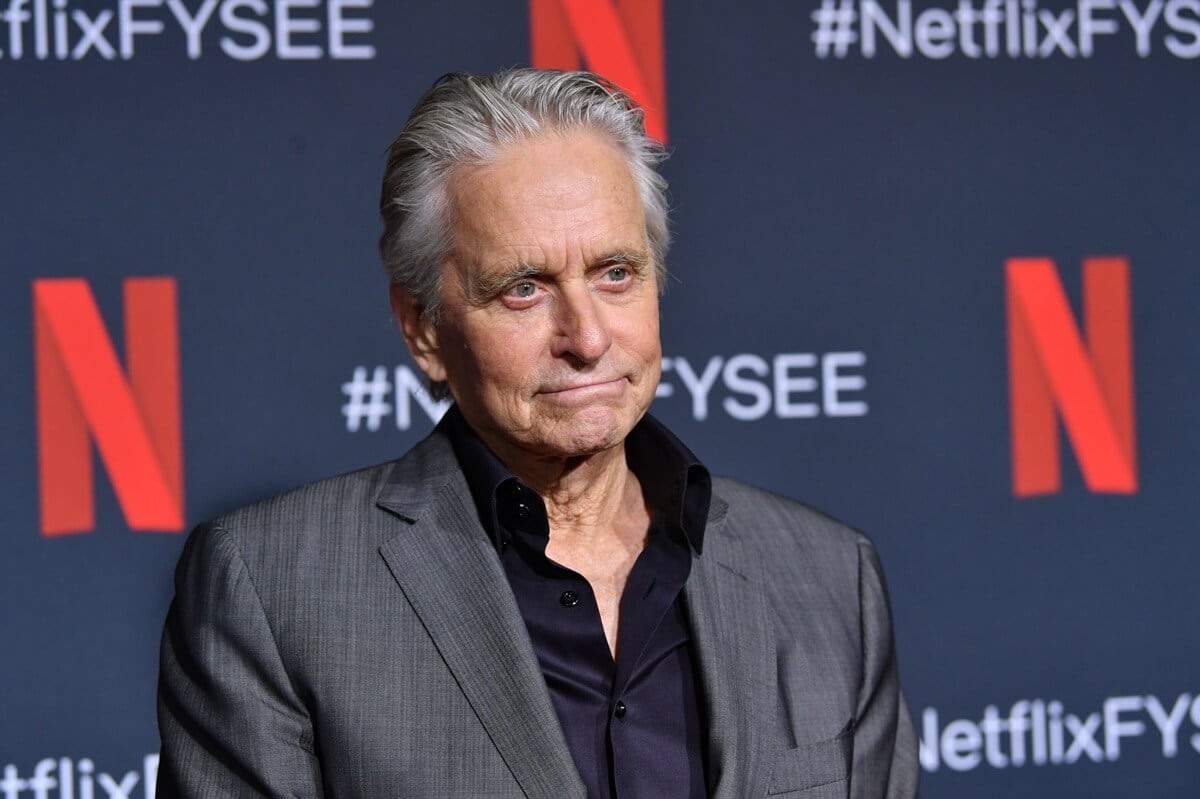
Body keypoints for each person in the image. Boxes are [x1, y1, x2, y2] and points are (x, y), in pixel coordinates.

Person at [156, 68, 919, 798]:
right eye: (524, 288)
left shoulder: (828, 577)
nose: (586, 336)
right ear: (422, 327)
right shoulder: (273, 588)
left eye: (616, 272)